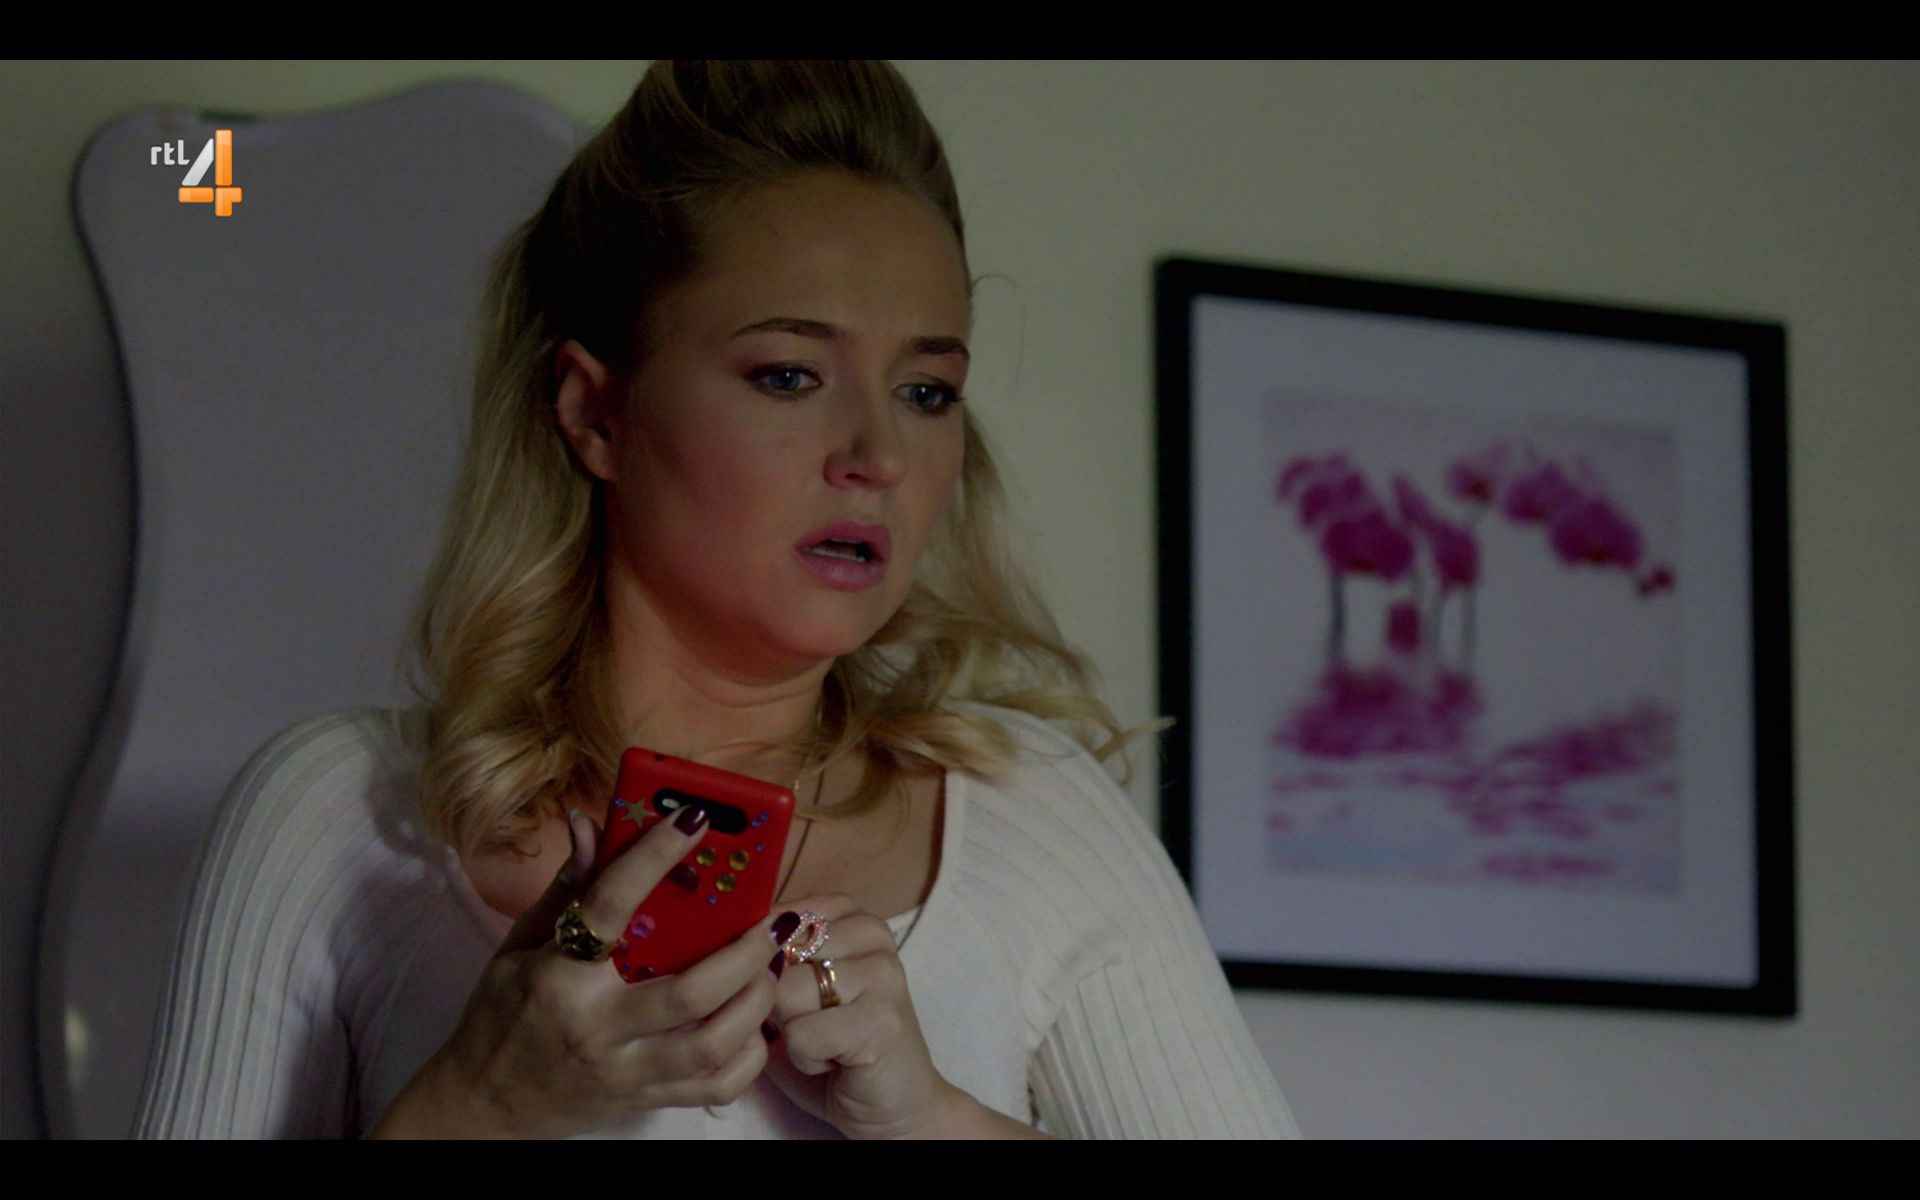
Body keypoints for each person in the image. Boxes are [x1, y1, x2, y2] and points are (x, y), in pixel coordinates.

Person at [133, 60, 1303, 1140]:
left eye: (926, 391)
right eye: (790, 375)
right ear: (596, 415)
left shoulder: (1031, 815)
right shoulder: (336, 818)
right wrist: (484, 1103)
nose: (877, 454)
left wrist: (933, 1118)